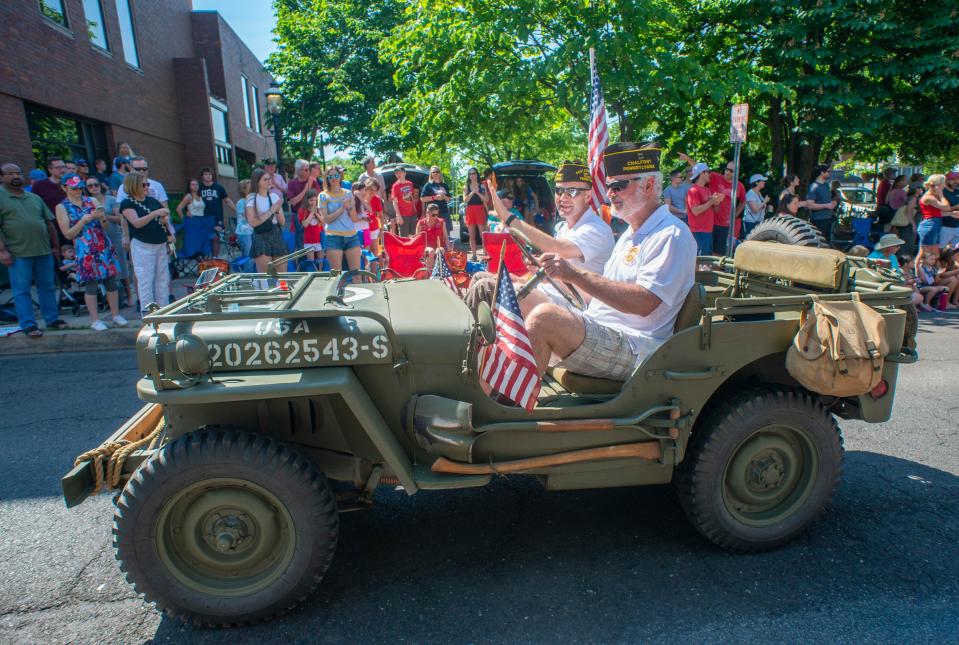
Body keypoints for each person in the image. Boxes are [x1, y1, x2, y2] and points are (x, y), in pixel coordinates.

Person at [524, 141, 697, 382]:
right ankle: (486, 391)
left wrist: (574, 274)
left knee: (545, 318)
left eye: (618, 186)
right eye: (608, 186)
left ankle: (508, 410)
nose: (609, 194)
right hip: (601, 326)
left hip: (636, 345)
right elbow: (601, 295)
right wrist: (559, 277)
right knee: (511, 295)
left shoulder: (671, 235)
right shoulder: (631, 233)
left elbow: (644, 303)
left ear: (648, 185)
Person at [475, 160, 615, 317]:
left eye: (572, 192)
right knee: (480, 277)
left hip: (574, 306)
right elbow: (557, 272)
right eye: (559, 191)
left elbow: (556, 248)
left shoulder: (596, 229)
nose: (563, 197)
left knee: (485, 287)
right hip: (553, 293)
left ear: (588, 195)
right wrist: (525, 278)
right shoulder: (562, 228)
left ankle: (471, 338)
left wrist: (509, 219)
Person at [0, 163, 67, 337]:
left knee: (47, 286)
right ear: (2, 177)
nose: (16, 176)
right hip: (18, 253)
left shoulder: (34, 198)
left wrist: (55, 246)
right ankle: (29, 324)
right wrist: (2, 251)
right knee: (21, 290)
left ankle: (52, 319)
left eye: (18, 173)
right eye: (10, 173)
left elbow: (49, 223)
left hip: (43, 251)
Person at [54, 174, 124, 330]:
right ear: (64, 187)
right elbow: (67, 234)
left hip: (101, 244)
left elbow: (105, 227)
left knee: (111, 281)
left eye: (80, 187)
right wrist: (83, 220)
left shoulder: (91, 201)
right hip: (83, 248)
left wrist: (102, 218)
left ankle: (115, 315)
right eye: (74, 188)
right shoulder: (62, 207)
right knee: (91, 284)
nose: (78, 190)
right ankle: (95, 320)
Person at [119, 173, 174, 313]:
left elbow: (163, 219)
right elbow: (136, 223)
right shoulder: (128, 203)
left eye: (147, 184)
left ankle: (164, 311)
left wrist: (169, 231)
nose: (147, 187)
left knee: (163, 279)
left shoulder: (152, 201)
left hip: (160, 243)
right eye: (143, 184)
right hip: (142, 245)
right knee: (145, 281)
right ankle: (148, 315)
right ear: (134, 186)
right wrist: (155, 214)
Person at [86, 176, 129, 305]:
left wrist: (104, 215)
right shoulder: (87, 202)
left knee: (122, 266)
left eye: (96, 184)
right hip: (97, 239)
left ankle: (129, 296)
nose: (94, 187)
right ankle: (112, 299)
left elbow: (119, 218)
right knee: (106, 269)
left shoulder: (110, 199)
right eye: (90, 186)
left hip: (114, 235)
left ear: (100, 185)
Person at [245, 168, 288, 274]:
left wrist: (277, 210)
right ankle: (266, 290)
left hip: (276, 233)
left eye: (269, 179)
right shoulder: (251, 198)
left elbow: (282, 222)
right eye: (265, 179)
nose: (269, 181)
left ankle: (282, 291)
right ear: (257, 182)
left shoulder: (274, 196)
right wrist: (271, 211)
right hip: (261, 236)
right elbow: (252, 222)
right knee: (264, 276)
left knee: (283, 276)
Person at [320, 166, 361, 274]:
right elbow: (326, 220)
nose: (334, 178)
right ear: (327, 178)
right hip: (334, 237)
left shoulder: (348, 193)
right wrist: (342, 208)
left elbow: (354, 218)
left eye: (336, 175)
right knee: (337, 276)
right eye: (331, 176)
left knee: (356, 274)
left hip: (351, 236)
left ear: (340, 177)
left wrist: (350, 207)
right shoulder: (323, 195)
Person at [917, 174, 959, 265]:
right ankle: (920, 275)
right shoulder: (929, 197)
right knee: (925, 254)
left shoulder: (933, 196)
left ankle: (932, 275)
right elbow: (946, 207)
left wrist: (951, 214)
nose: (944, 186)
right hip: (929, 226)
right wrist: (941, 194)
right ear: (938, 184)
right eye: (943, 183)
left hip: (934, 224)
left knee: (935, 254)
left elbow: (936, 213)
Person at [684, 162, 723, 255]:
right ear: (702, 173)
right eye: (708, 172)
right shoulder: (693, 191)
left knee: (705, 261)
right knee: (700, 262)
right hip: (698, 231)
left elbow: (714, 210)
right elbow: (695, 211)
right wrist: (711, 201)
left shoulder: (707, 189)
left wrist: (717, 202)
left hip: (708, 230)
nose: (710, 174)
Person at [198, 167, 235, 258]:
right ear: (202, 176)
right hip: (203, 218)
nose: (208, 176)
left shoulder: (218, 188)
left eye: (210, 174)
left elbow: (227, 200)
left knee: (216, 238)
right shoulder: (199, 188)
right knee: (204, 240)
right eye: (206, 174)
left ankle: (215, 259)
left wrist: (237, 210)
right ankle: (205, 260)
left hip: (217, 218)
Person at [287, 159, 322, 251]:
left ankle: (316, 263)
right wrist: (306, 188)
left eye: (308, 169)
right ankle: (303, 263)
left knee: (317, 241)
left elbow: (319, 198)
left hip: (313, 214)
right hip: (298, 216)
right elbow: (293, 202)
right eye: (306, 170)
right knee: (301, 241)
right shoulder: (292, 183)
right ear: (298, 171)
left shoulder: (313, 182)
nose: (308, 172)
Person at [176, 179, 210, 258]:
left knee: (203, 242)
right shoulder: (188, 196)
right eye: (192, 184)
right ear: (189, 186)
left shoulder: (200, 196)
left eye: (196, 184)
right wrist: (184, 220)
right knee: (195, 243)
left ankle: (203, 261)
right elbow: (178, 209)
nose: (195, 186)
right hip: (193, 222)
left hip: (202, 221)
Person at [805, 164, 838, 242]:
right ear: (822, 173)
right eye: (828, 171)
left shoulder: (826, 185)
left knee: (827, 242)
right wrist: (826, 205)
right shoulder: (814, 186)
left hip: (828, 218)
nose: (829, 173)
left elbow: (826, 201)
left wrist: (833, 203)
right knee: (820, 242)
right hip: (818, 220)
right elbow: (810, 205)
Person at [462, 167, 489, 260]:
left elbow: (486, 199)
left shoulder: (482, 186)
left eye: (473, 173)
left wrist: (478, 193)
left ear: (477, 174)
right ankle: (474, 255)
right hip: (470, 210)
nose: (472, 175)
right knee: (471, 235)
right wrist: (473, 192)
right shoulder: (466, 186)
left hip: (480, 209)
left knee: (483, 234)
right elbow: (465, 200)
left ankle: (485, 255)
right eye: (470, 174)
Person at [31, 157, 67, 223]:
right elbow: (35, 207)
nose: (62, 170)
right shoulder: (39, 185)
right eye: (58, 167)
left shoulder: (70, 183)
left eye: (63, 167)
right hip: (53, 224)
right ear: (50, 170)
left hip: (74, 224)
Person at [416, 203, 450, 273]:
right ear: (427, 213)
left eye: (437, 215)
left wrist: (449, 247)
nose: (435, 217)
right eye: (433, 215)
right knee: (431, 251)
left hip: (439, 246)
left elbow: (446, 237)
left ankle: (440, 272)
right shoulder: (421, 223)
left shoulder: (441, 222)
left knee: (440, 250)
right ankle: (430, 273)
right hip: (426, 248)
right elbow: (417, 239)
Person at [421, 166, 452, 234]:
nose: (435, 173)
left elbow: (449, 199)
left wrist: (444, 196)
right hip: (432, 213)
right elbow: (422, 199)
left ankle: (445, 244)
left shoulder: (444, 185)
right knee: (432, 233)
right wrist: (434, 197)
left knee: (446, 233)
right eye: (433, 172)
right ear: (431, 174)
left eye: (437, 172)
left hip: (444, 212)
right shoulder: (428, 185)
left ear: (440, 173)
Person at [298, 189, 324, 267]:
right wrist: (312, 212)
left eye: (315, 200)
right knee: (311, 262)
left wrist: (315, 212)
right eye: (311, 200)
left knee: (321, 261)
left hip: (319, 240)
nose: (313, 202)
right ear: (307, 200)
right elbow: (305, 224)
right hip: (309, 241)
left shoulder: (318, 210)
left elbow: (323, 222)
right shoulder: (302, 210)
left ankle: (320, 273)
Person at [390, 166, 416, 236]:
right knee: (404, 237)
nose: (398, 174)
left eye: (399, 172)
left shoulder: (410, 183)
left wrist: (415, 210)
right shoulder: (395, 186)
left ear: (405, 173)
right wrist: (398, 216)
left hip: (412, 214)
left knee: (413, 236)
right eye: (396, 173)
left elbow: (412, 198)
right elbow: (394, 202)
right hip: (403, 215)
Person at [743, 174, 769, 238]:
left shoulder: (759, 193)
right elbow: (755, 210)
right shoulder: (750, 194)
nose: (764, 182)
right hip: (750, 223)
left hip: (759, 223)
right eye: (762, 181)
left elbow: (760, 207)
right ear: (756, 182)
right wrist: (765, 202)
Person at [234, 179, 253, 257]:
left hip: (252, 231)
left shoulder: (251, 200)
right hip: (245, 233)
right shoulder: (241, 202)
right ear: (244, 189)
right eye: (250, 185)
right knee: (248, 257)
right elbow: (248, 217)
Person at [940, 171, 959, 248]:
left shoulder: (957, 191)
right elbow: (938, 210)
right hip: (944, 226)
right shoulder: (941, 192)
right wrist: (955, 207)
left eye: (957, 179)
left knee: (955, 252)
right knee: (939, 251)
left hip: (957, 227)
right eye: (952, 179)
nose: (956, 181)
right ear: (946, 180)